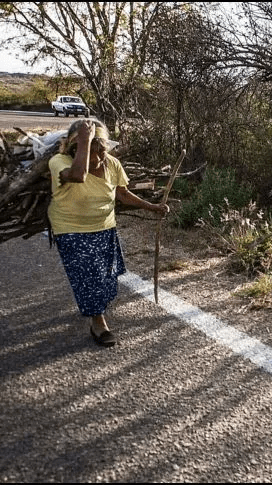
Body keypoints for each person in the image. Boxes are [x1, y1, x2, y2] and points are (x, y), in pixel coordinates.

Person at [47, 119, 169, 347]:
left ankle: (95, 307)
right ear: (76, 150)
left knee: (107, 277)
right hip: (71, 230)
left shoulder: (111, 163)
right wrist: (85, 140)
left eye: (102, 151)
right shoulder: (60, 163)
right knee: (89, 277)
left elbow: (122, 195)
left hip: (105, 228)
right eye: (93, 151)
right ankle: (98, 322)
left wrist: (152, 208)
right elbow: (78, 176)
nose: (99, 157)